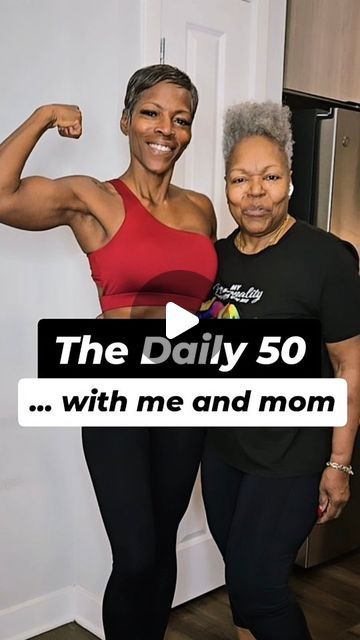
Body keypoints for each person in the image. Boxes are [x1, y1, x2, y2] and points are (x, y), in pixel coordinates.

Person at [0, 64, 217, 640]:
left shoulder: (200, 209)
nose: (165, 128)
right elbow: (1, 195)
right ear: (126, 121)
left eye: (181, 119)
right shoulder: (93, 198)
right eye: (151, 112)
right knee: (137, 554)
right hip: (116, 393)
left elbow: (204, 305)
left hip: (184, 395)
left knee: (162, 545)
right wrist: (46, 116)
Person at [200, 102, 360, 640]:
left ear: (290, 181)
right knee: (243, 581)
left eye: (270, 177)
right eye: (241, 179)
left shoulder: (325, 259)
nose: (255, 191)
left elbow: (348, 364)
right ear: (226, 185)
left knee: (260, 590)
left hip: (292, 454)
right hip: (224, 452)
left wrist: (340, 463)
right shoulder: (215, 258)